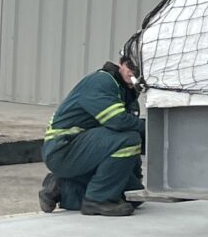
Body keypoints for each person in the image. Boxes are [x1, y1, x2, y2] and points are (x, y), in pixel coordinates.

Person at [41, 42, 146, 215]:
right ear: (121, 62)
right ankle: (98, 200)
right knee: (130, 139)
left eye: (138, 69)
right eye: (130, 66)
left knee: (132, 195)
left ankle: (62, 187)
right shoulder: (102, 81)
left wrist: (133, 176)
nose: (132, 72)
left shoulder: (128, 96)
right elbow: (118, 122)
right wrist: (154, 129)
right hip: (63, 147)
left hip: (85, 150)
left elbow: (126, 140)